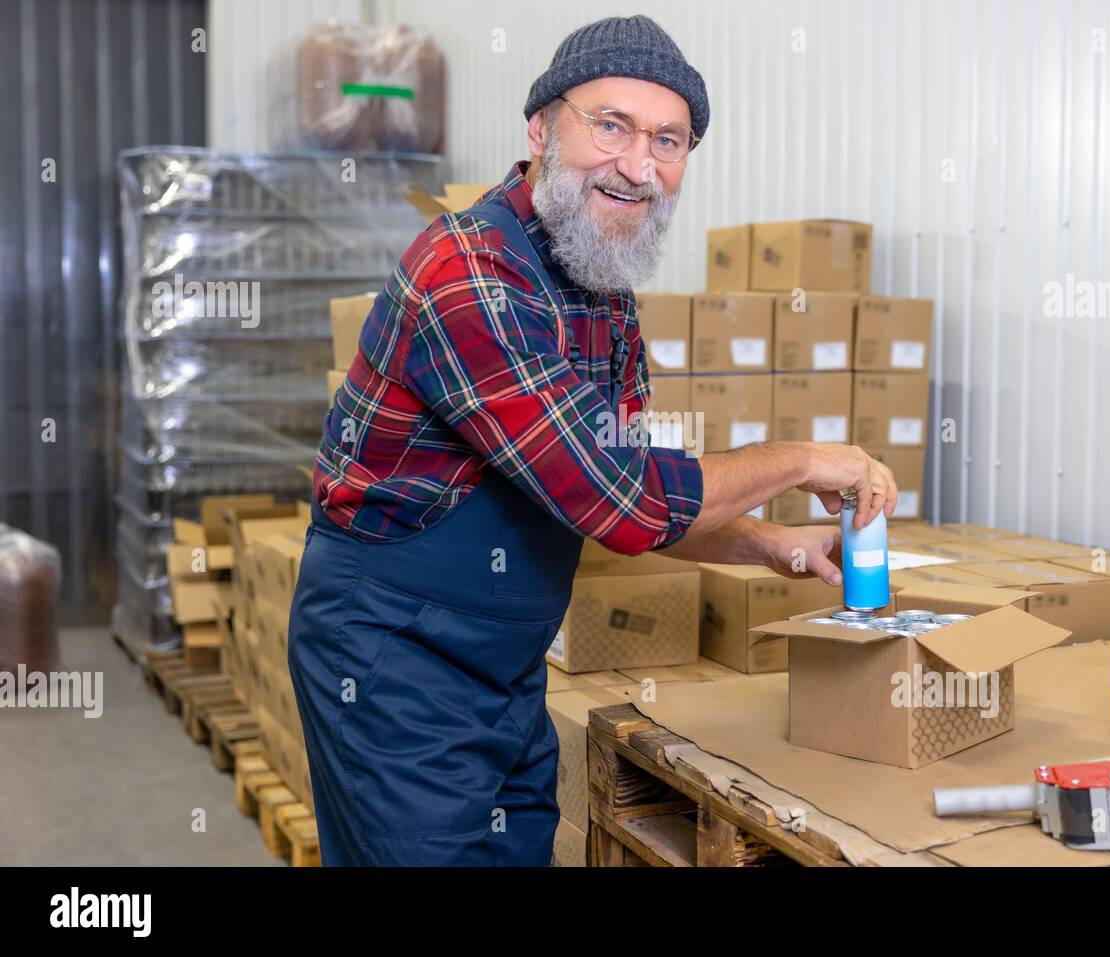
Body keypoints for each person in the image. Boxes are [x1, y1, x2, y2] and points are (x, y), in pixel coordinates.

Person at [287, 13, 897, 866]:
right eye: (610, 125)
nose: (638, 165)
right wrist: (799, 459)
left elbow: (619, 488)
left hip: (502, 667)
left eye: (668, 140)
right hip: (394, 662)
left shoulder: (600, 290)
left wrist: (773, 545)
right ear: (540, 128)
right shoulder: (468, 271)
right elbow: (620, 498)